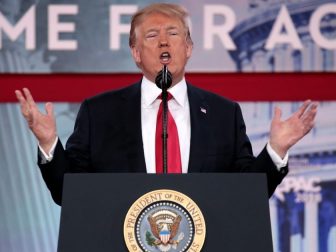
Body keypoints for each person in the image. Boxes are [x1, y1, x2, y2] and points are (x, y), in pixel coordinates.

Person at [15, 3, 317, 206]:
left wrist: (275, 150)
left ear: (188, 48)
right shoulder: (99, 112)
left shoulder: (224, 113)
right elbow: (69, 193)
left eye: (173, 34)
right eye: (151, 35)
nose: (163, 42)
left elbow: (246, 195)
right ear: (135, 52)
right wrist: (50, 144)